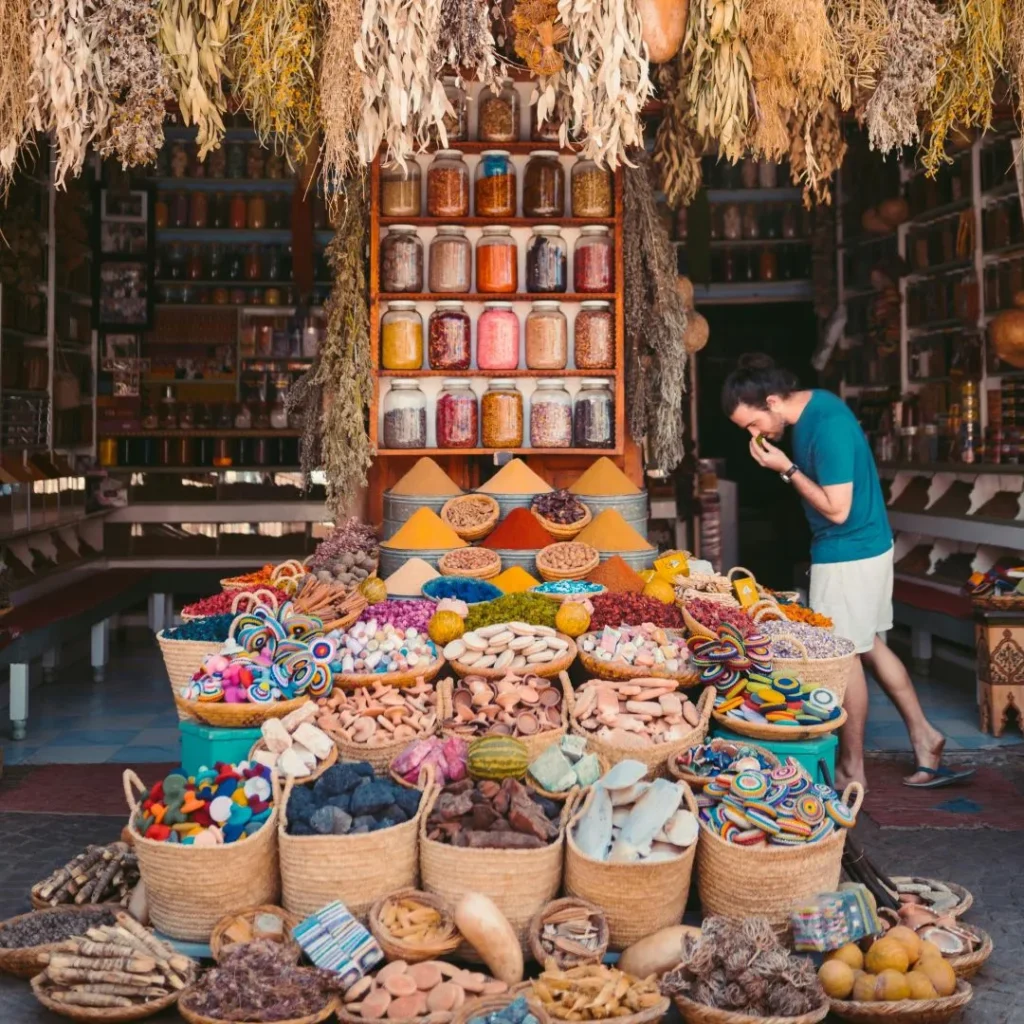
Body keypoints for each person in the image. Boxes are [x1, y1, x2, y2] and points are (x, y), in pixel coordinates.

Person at [720, 354, 973, 790]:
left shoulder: (826, 427)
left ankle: (852, 768)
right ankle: (925, 735)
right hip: (864, 546)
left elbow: (837, 510)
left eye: (753, 424)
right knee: (867, 645)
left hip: (848, 551)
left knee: (842, 655)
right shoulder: (815, 408)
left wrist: (786, 469)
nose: (754, 435)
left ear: (774, 401)